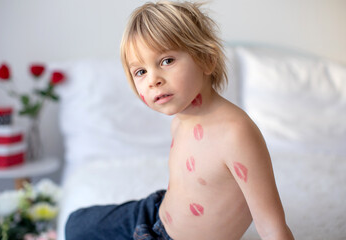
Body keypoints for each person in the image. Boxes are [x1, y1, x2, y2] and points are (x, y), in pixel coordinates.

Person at [66, 1, 294, 239]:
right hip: (152, 214)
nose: (153, 80)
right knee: (75, 224)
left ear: (206, 59)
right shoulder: (180, 121)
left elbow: (272, 227)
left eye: (166, 61)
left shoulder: (235, 134)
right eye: (140, 72)